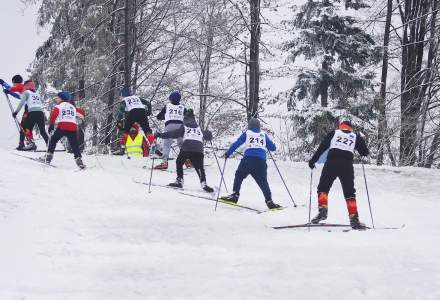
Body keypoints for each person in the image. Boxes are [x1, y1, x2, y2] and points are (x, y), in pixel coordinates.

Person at [308, 120, 369, 229]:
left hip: (331, 163)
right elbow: (364, 152)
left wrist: (313, 160)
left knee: (323, 187)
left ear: (341, 127)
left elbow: (322, 146)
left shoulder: (334, 133)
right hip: (347, 166)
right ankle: (354, 219)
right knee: (349, 192)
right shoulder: (355, 136)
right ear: (351, 128)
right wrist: (360, 142)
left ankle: (322, 209)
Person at [219, 118, 281, 210]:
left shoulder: (247, 133)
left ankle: (235, 195)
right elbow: (273, 148)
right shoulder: (264, 135)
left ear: (250, 126)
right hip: (261, 161)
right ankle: (269, 201)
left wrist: (228, 153)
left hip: (248, 160)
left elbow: (237, 143)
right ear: (259, 126)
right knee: (263, 182)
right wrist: (266, 145)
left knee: (239, 175)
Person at [154, 109, 214, 192]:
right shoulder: (199, 128)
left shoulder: (184, 126)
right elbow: (208, 137)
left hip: (187, 147)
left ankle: (179, 181)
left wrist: (160, 135)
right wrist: (209, 134)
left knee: (179, 162)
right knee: (200, 167)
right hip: (198, 149)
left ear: (185, 118)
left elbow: (172, 134)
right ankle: (204, 183)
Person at [44, 91, 86, 169]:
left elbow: (53, 116)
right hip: (73, 127)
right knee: (74, 144)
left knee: (53, 140)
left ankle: (49, 156)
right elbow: (82, 114)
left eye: (58, 97)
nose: (57, 99)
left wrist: (51, 126)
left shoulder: (59, 106)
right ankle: (79, 160)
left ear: (62, 98)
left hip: (62, 126)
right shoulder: (73, 107)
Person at [12, 80, 49, 150]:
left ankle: (28, 144)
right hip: (41, 113)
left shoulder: (26, 92)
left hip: (32, 112)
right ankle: (49, 144)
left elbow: (21, 103)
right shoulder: (37, 94)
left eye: (24, 86)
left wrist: (16, 112)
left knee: (25, 128)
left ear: (26, 86)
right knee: (42, 131)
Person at [154, 91, 186, 170]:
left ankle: (164, 162)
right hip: (180, 126)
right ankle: (188, 160)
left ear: (170, 99)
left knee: (167, 144)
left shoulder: (167, 106)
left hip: (169, 125)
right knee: (181, 143)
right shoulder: (182, 107)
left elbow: (159, 116)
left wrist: (167, 117)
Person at [0, 75, 34, 150]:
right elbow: (18, 96)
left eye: (13, 83)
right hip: (31, 108)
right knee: (25, 126)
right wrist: (9, 92)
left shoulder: (20, 86)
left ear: (15, 82)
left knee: (23, 126)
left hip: (28, 108)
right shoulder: (23, 88)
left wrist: (3, 84)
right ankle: (24, 143)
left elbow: (10, 88)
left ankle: (29, 143)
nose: (13, 84)